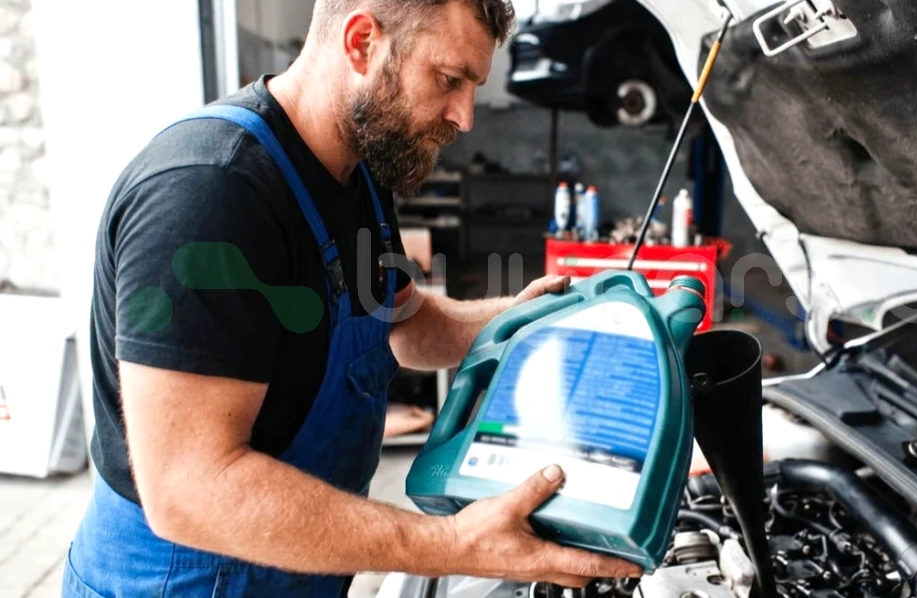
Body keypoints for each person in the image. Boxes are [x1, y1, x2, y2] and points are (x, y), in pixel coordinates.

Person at [62, 0, 643, 596]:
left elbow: (406, 323)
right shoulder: (211, 193)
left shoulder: (356, 174)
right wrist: (452, 543)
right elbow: (189, 490)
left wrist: (527, 320)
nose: (466, 117)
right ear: (362, 42)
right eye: (450, 79)